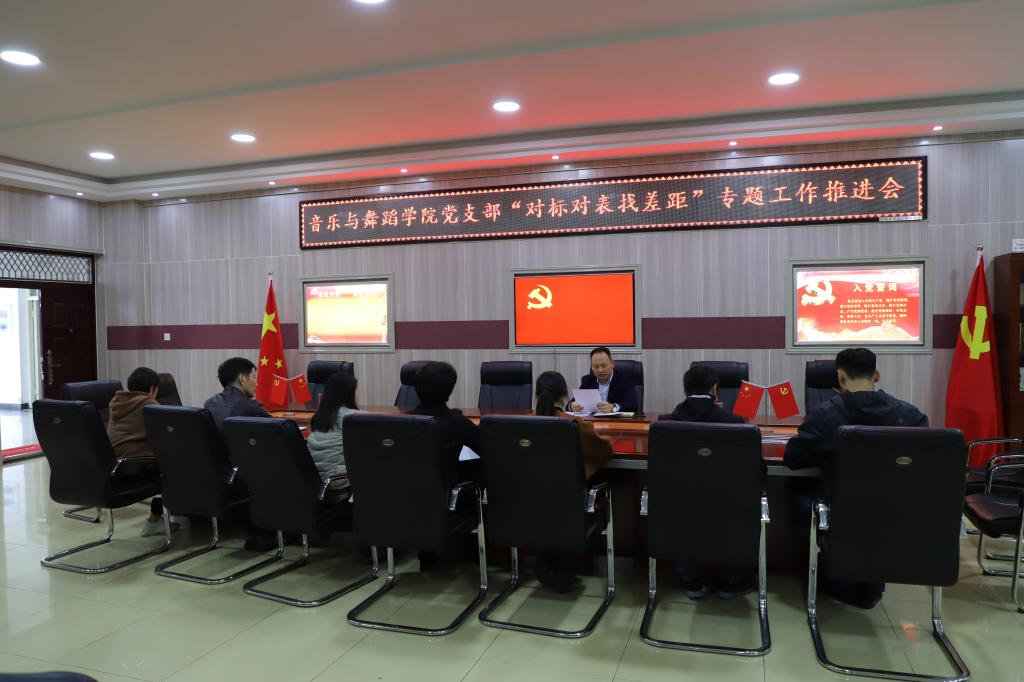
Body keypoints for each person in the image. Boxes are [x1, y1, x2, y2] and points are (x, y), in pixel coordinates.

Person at [785, 347, 929, 609]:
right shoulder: (910, 416)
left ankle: (831, 575)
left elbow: (792, 458)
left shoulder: (824, 415)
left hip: (839, 512)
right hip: (893, 512)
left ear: (840, 377)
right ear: (877, 375)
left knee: (797, 499)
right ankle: (870, 584)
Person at [660, 364, 752, 599]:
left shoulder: (666, 423)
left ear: (685, 390)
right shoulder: (735, 423)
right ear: (714, 389)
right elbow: (752, 470)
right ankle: (731, 579)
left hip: (679, 500)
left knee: (683, 505)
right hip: (726, 501)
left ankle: (690, 579)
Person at [533, 370, 614, 592]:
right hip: (572, 508)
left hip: (531, 507)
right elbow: (605, 450)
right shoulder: (575, 425)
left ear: (536, 395)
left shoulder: (521, 425)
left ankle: (548, 563)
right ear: (565, 395)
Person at [410, 361, 480, 571]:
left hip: (409, 507)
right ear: (449, 391)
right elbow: (485, 448)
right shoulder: (457, 423)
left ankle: (427, 555)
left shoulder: (404, 423)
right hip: (450, 508)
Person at [106, 366, 175, 537]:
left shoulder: (117, 402)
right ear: (153, 389)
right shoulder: (149, 404)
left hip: (113, 464)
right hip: (134, 464)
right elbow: (168, 436)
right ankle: (155, 520)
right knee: (177, 463)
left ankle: (157, 519)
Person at [306, 371, 361, 501]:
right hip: (340, 485)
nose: (358, 394)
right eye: (356, 390)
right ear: (349, 393)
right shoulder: (350, 416)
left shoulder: (319, 417)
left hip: (319, 485)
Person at [204, 357, 271, 430]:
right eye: (254, 377)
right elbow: (276, 430)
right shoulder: (253, 407)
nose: (257, 384)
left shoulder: (209, 404)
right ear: (242, 379)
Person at [568, 347, 638, 414]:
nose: (600, 370)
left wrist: (612, 407)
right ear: (591, 367)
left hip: (616, 420)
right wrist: (572, 406)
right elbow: (571, 403)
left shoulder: (625, 379)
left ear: (612, 364)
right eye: (596, 367)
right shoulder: (587, 380)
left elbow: (632, 404)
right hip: (593, 420)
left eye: (604, 366)